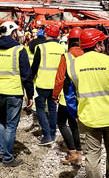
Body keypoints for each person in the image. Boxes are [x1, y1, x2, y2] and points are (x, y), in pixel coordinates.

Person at [0, 21, 34, 166]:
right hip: (14, 92)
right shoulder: (19, 50)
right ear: (13, 33)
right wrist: (30, 95)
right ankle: (8, 158)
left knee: (2, 120)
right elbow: (26, 76)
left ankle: (0, 152)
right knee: (11, 125)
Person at [66, 28, 109, 178]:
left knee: (92, 155)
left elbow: (69, 95)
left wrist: (74, 114)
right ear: (98, 45)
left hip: (89, 117)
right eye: (102, 43)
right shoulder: (108, 61)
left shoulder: (74, 64)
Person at [52, 27, 83, 165]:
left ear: (70, 41)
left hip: (67, 97)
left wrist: (55, 95)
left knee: (61, 123)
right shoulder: (85, 55)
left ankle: (72, 152)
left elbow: (60, 79)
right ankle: (79, 152)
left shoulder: (67, 56)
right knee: (74, 125)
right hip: (81, 96)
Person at [31, 25, 66, 145]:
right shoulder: (62, 49)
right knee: (52, 109)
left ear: (46, 34)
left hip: (42, 84)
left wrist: (29, 82)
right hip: (56, 85)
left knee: (40, 109)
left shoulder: (40, 47)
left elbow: (34, 67)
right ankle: (52, 133)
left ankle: (46, 135)